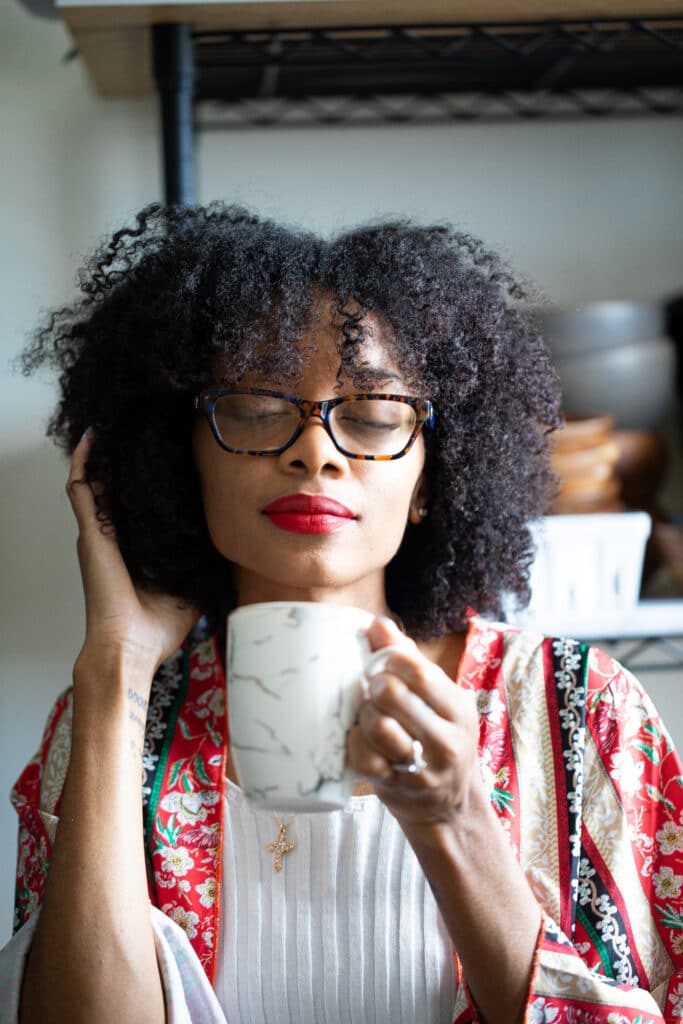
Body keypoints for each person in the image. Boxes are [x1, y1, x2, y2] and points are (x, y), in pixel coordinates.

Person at [1, 203, 682, 1024]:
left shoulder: (580, 712)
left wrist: (454, 816)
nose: (314, 450)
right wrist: (113, 667)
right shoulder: (112, 719)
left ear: (432, 477)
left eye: (372, 415)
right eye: (254, 406)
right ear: (181, 455)